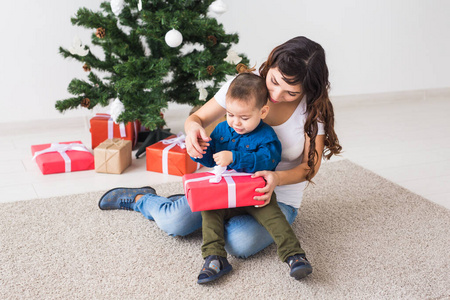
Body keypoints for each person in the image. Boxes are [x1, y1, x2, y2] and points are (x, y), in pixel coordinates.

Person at [98, 36, 342, 280]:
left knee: (240, 243)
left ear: (308, 89)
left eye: (291, 92)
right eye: (274, 81)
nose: (276, 94)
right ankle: (143, 198)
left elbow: (309, 167)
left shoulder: (312, 110)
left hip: (275, 197)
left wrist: (276, 177)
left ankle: (208, 216)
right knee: (174, 222)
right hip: (225, 186)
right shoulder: (244, 85)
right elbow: (197, 119)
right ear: (272, 63)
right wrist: (193, 131)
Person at [191, 73, 308, 283]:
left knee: (274, 218)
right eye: (230, 115)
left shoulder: (267, 136)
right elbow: (212, 160)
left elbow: (267, 161)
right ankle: (214, 257)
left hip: (255, 193)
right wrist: (200, 151)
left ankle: (294, 256)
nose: (236, 122)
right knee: (208, 211)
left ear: (263, 111)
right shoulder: (222, 129)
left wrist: (234, 157)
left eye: (244, 118)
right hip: (225, 192)